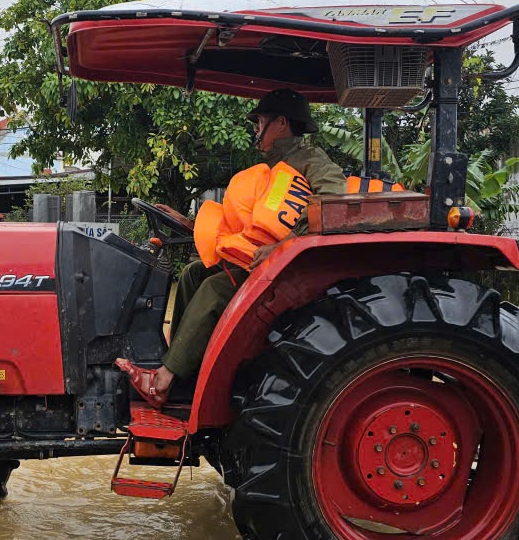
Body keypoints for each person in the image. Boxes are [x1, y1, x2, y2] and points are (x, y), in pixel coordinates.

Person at [116, 88, 346, 407]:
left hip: (287, 268)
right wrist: (191, 223)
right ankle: (183, 372)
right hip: (260, 260)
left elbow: (334, 202)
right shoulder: (269, 168)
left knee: (214, 289)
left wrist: (286, 244)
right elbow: (244, 224)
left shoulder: (311, 160)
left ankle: (164, 380)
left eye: (259, 122)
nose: (255, 130)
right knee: (195, 273)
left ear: (281, 123)